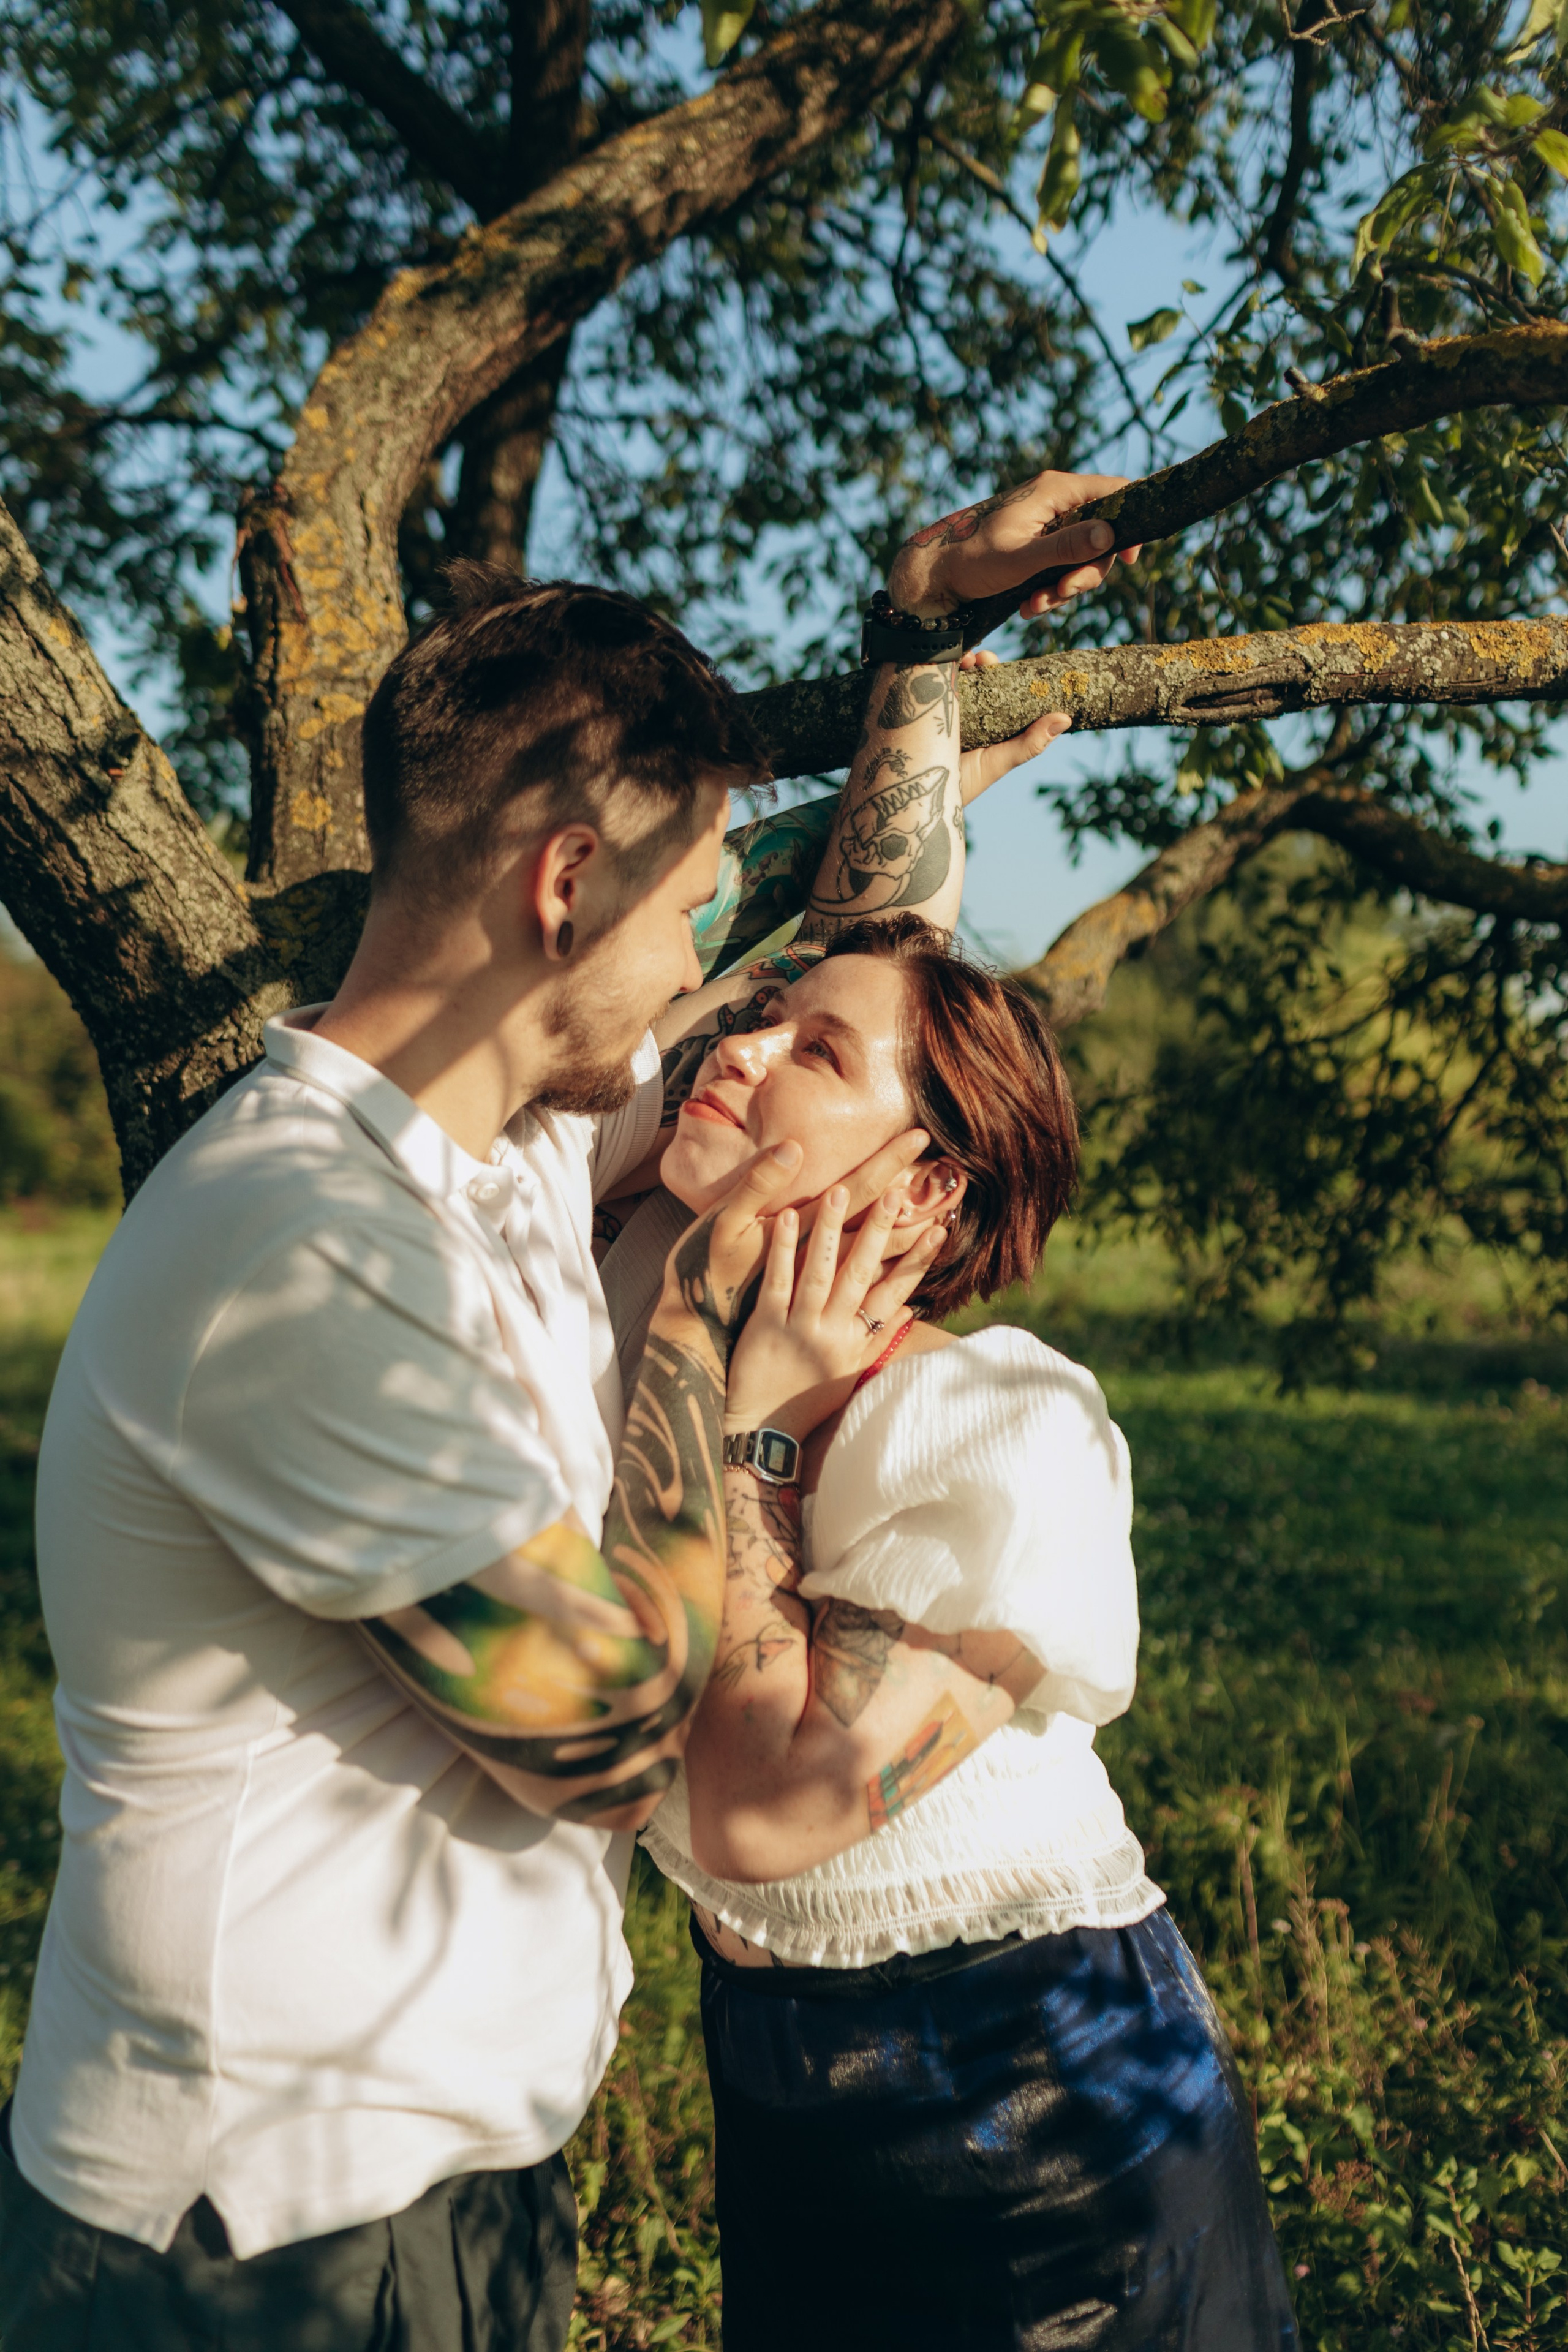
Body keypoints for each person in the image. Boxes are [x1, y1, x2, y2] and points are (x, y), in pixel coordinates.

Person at [0, 472, 1130, 2349]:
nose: (713, 969)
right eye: (691, 908)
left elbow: (858, 966)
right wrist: (708, 1335)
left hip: (447, 2189)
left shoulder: (511, 1144)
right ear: (565, 888)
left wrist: (927, 636)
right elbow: (607, 1741)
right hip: (256, 2232)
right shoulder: (297, 1249)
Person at [636, 915, 1301, 2350]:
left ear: (927, 1184)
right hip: (771, 2081)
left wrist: (763, 1428)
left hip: (1039, 2119)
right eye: (758, 1020)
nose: (733, 1051)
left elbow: (759, 1814)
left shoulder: (997, 1424)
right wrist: (919, 722)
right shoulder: (650, 1340)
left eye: (813, 1050)